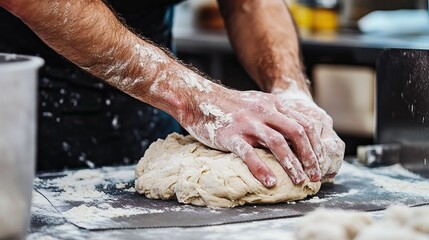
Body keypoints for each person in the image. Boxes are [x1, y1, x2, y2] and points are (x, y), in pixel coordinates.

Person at [0, 0, 344, 187]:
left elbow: (249, 4)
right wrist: (198, 101)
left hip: (150, 110)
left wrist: (290, 90)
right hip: (19, 110)